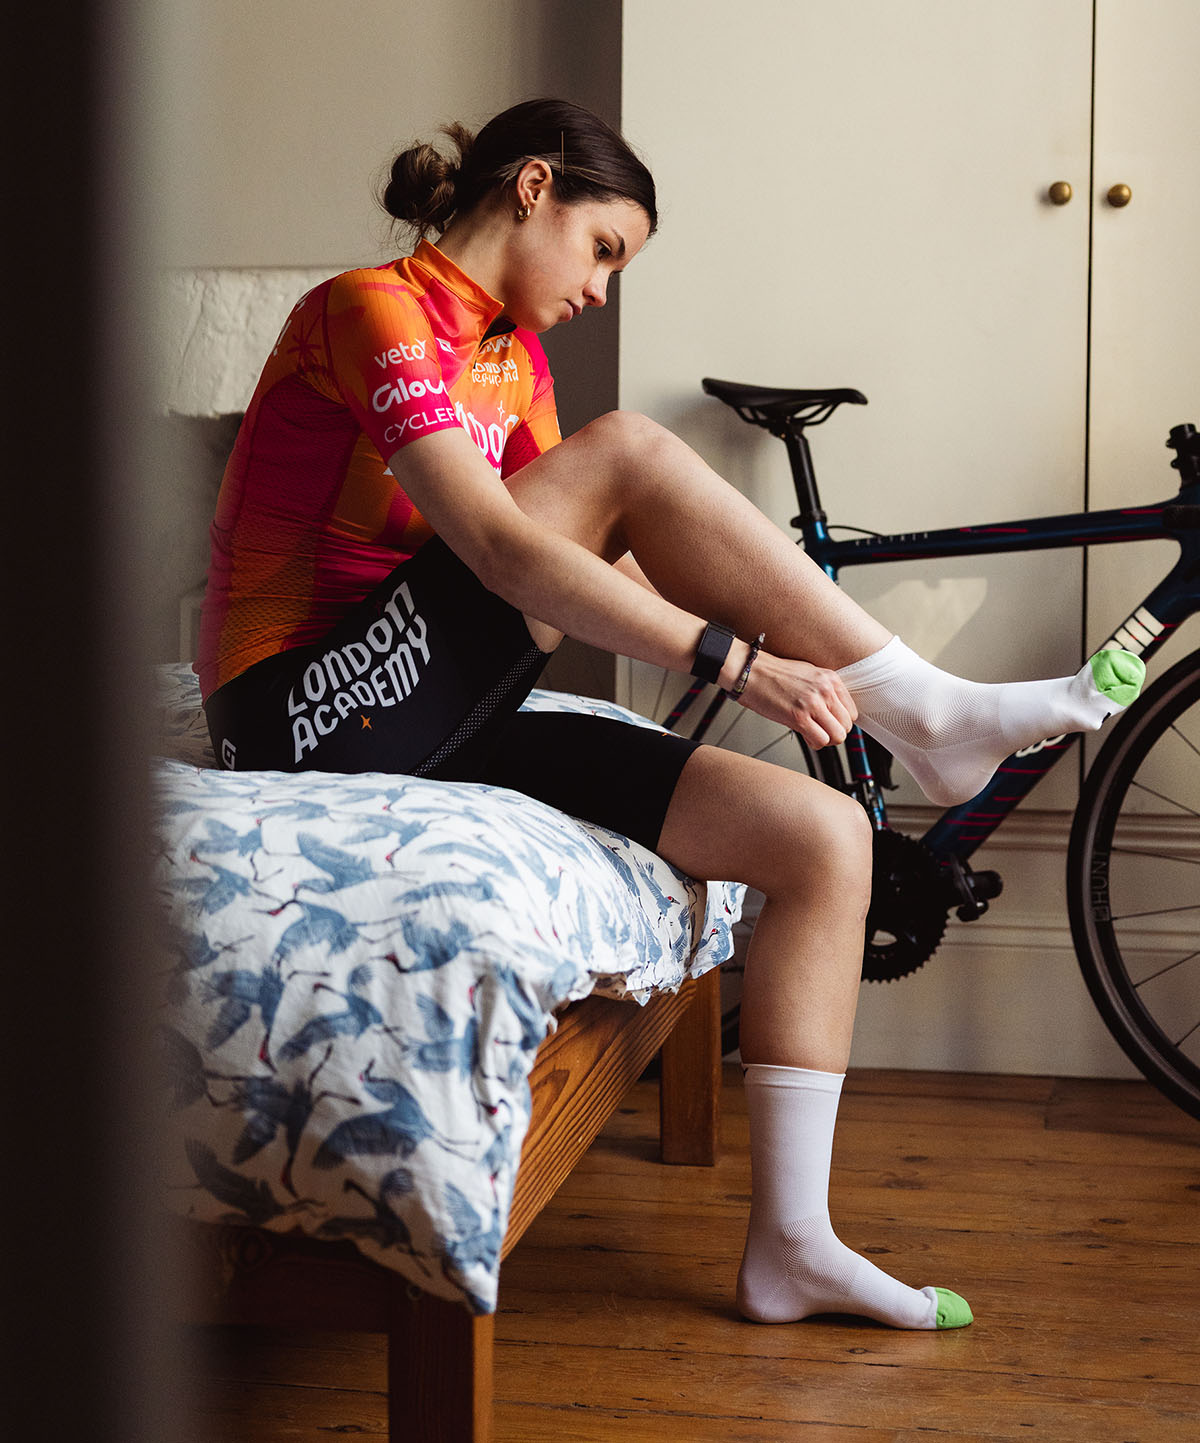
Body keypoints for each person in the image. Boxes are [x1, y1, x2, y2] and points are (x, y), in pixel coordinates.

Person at [195, 97, 1144, 1331]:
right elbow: (498, 550)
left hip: (433, 711)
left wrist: (777, 652)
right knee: (630, 449)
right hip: (295, 719)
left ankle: (793, 1245)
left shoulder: (510, 359)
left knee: (820, 841)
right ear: (531, 186)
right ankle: (932, 709)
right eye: (604, 249)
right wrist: (741, 667)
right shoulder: (369, 307)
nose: (602, 290)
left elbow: (601, 568)